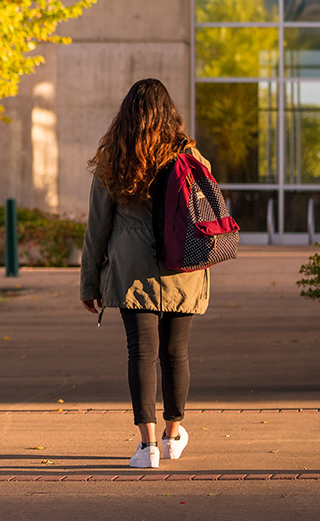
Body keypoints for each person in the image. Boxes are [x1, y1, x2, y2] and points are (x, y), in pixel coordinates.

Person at [80, 79, 212, 469]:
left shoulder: (115, 159)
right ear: (168, 113)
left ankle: (147, 446)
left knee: (140, 353)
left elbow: (97, 226)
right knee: (176, 353)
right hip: (182, 269)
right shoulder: (188, 155)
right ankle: (173, 436)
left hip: (130, 269)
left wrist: (89, 281)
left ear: (127, 114)